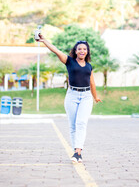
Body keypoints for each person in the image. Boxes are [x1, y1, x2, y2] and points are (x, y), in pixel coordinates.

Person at [36, 35, 102, 163]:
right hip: (72, 95)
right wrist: (45, 41)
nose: (82, 51)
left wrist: (95, 97)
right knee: (73, 126)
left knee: (81, 123)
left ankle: (78, 152)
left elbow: (92, 83)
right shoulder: (69, 61)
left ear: (87, 51)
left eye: (84, 49)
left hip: (86, 96)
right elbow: (55, 50)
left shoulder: (89, 66)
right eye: (79, 49)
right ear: (75, 51)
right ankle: (75, 152)